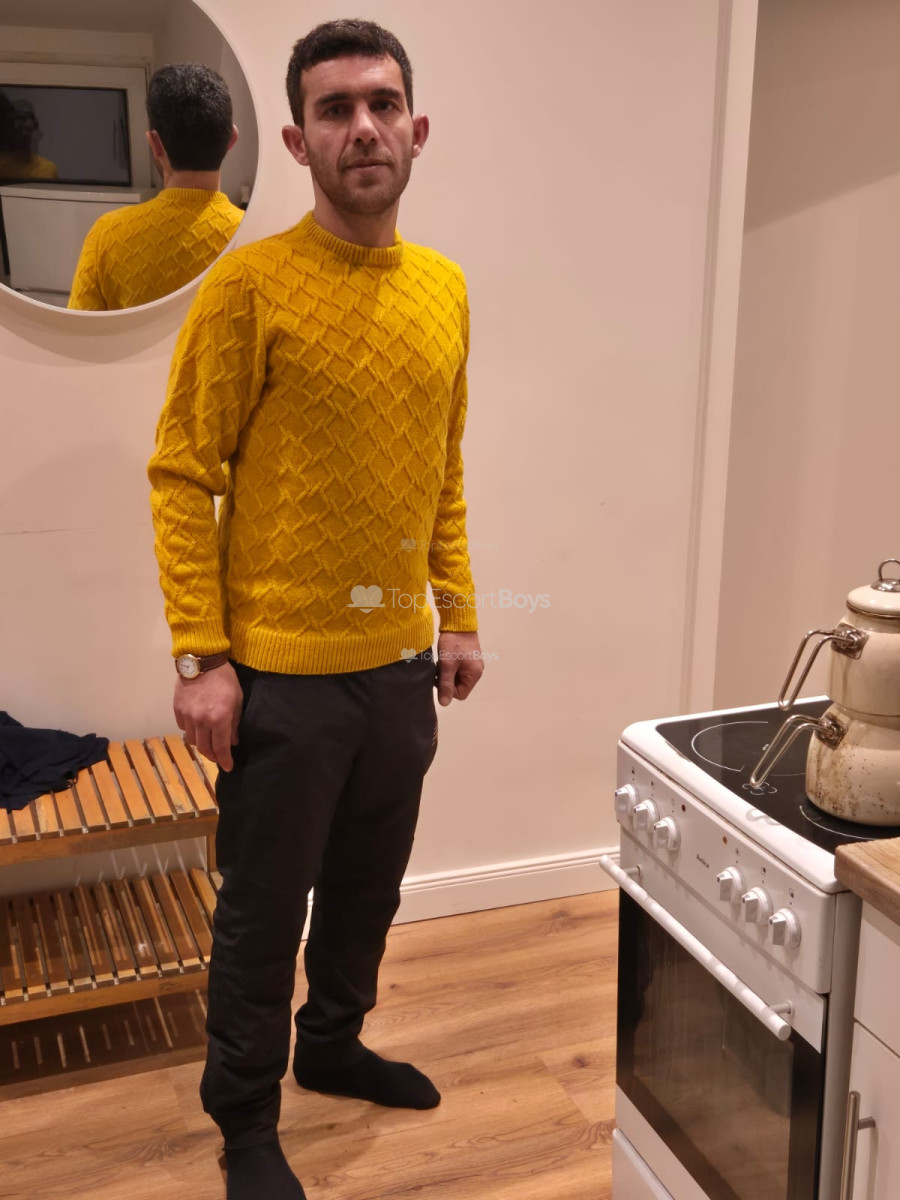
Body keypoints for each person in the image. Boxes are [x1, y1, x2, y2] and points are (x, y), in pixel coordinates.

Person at [147, 19, 484, 1200]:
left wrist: (458, 613)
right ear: (295, 143)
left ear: (417, 130)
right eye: (335, 110)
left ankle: (332, 1045)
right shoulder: (247, 286)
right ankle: (245, 1121)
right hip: (280, 681)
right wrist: (202, 657)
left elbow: (442, 470)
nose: (363, 128)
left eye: (382, 105)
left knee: (365, 890)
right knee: (260, 915)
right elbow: (181, 473)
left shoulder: (444, 288)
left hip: (398, 668)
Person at [68, 62, 242, 311]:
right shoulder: (254, 234)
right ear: (231, 140)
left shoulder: (106, 235)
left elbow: (81, 328)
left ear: (154, 143)